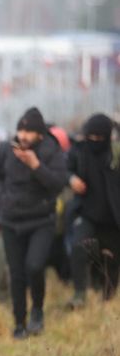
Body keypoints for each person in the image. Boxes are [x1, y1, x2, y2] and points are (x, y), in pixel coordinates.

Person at [0, 107, 68, 339]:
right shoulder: (6, 149)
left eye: (29, 131)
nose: (23, 136)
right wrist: (2, 197)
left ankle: (38, 311)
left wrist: (35, 165)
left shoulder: (51, 150)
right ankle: (19, 321)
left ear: (40, 134)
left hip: (41, 220)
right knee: (17, 273)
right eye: (21, 130)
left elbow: (58, 183)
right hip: (11, 221)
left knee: (34, 266)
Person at [66, 113, 120, 307]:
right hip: (86, 213)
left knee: (112, 258)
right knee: (78, 248)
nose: (94, 142)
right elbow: (64, 168)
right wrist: (71, 179)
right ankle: (79, 294)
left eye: (99, 138)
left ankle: (108, 297)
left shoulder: (115, 153)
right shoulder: (78, 151)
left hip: (113, 216)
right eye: (91, 138)